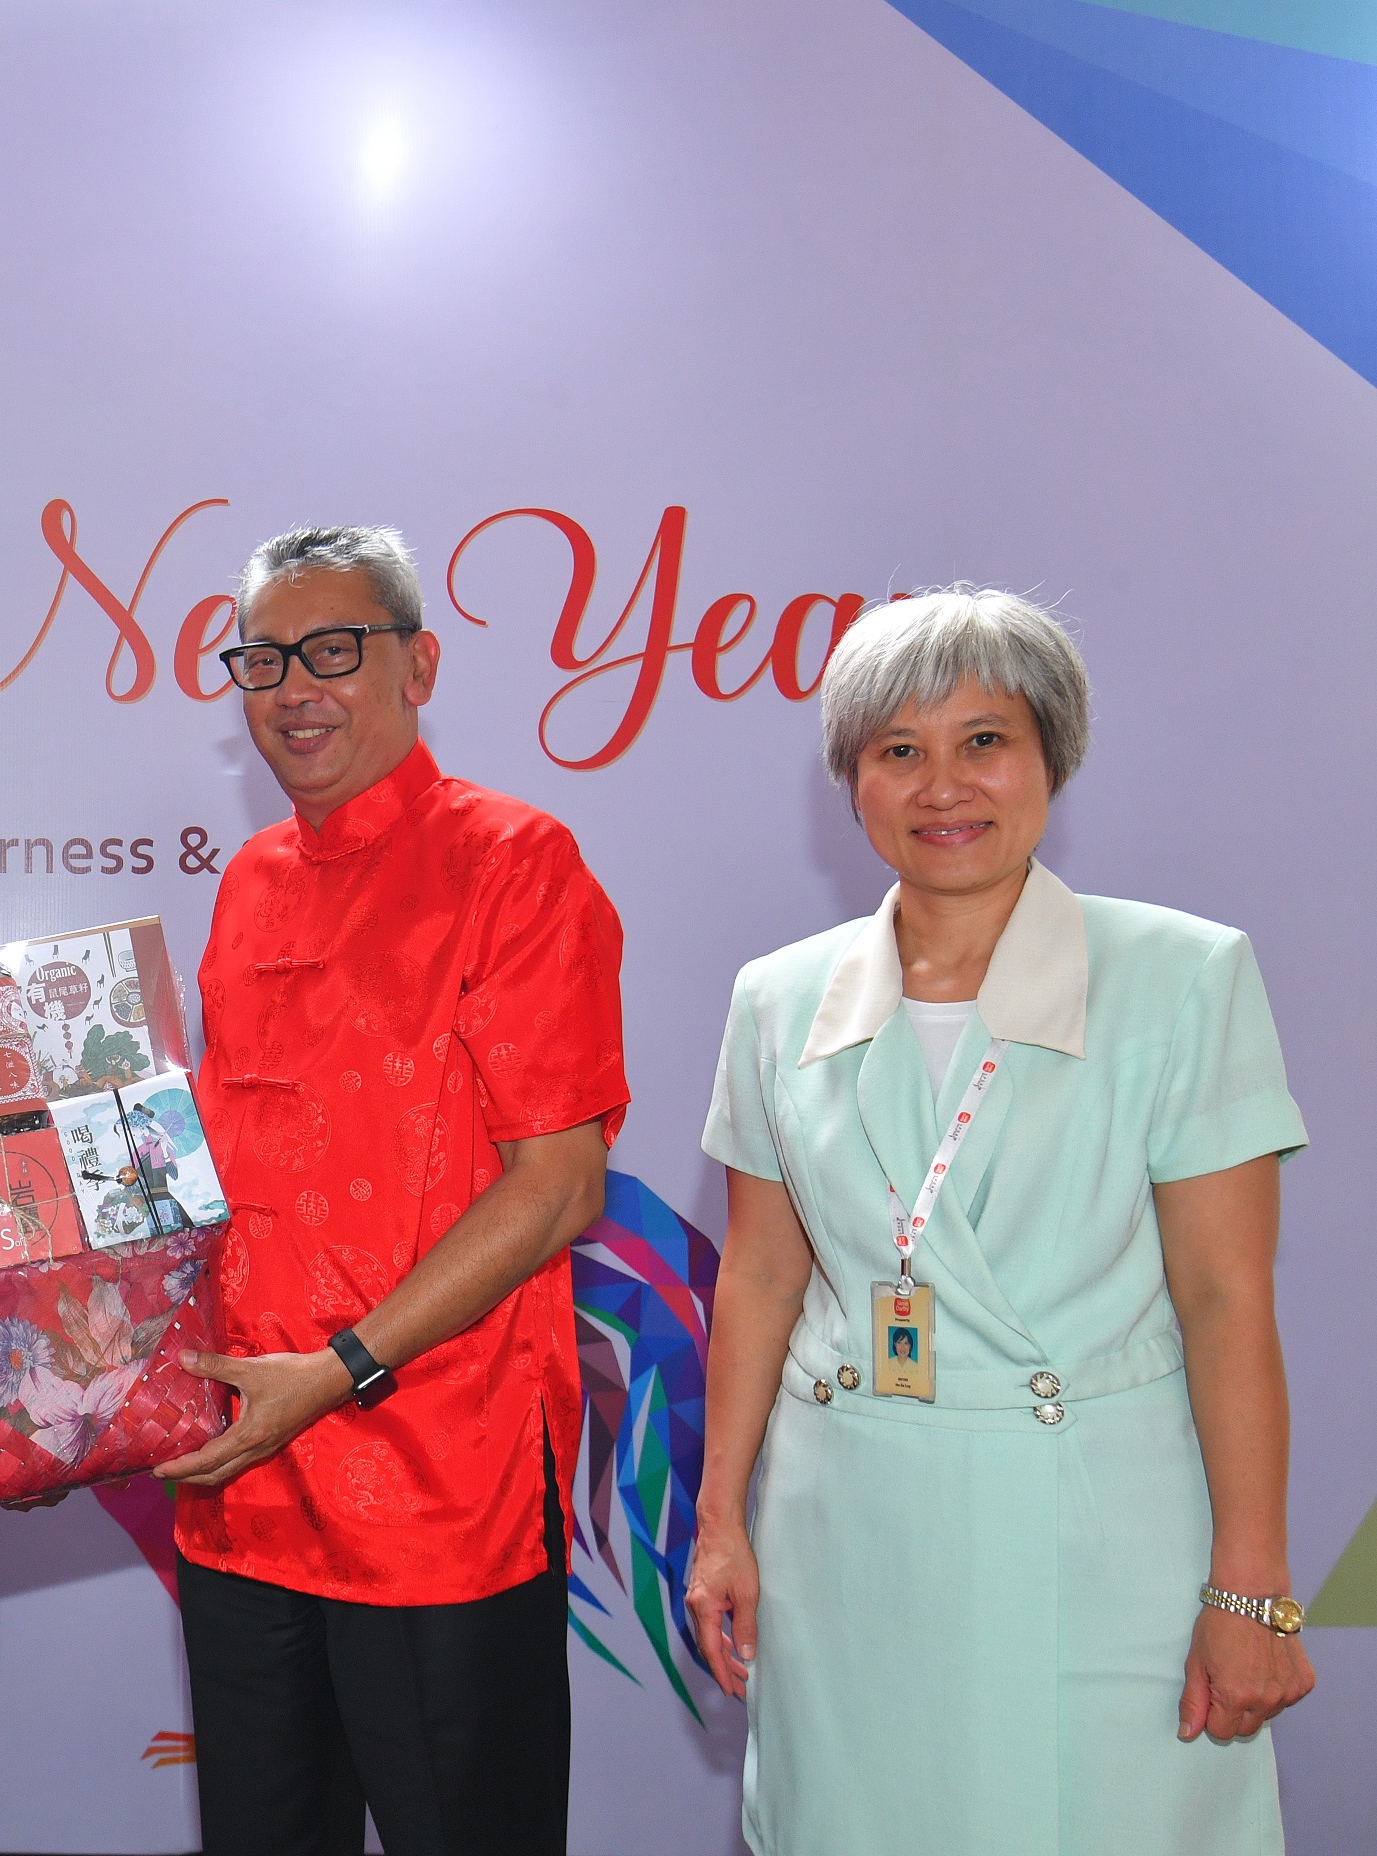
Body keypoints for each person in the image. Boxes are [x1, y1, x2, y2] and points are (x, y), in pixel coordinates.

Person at [685, 589, 1315, 1855]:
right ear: (852, 781)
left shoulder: (1182, 976)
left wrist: (1252, 1587)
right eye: (898, 749)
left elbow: (1225, 1299)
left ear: (1050, 759)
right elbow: (757, 1275)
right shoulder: (779, 996)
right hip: (847, 1534)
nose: (943, 786)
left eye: (985, 740)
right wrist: (719, 1521)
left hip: (1102, 1535)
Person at [156, 526, 628, 1856]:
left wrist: (342, 1367)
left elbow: (559, 1186)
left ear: (418, 666)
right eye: (262, 660)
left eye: (333, 651)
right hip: (247, 1476)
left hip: (438, 1484)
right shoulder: (250, 880)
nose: (293, 688)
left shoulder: (515, 860)